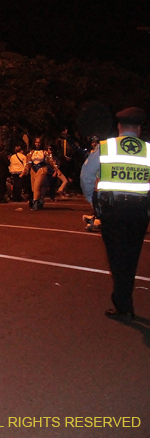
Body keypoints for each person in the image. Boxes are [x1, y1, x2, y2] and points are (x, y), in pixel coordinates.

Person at [80, 107, 149, 321]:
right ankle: (124, 301)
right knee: (131, 256)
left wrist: (94, 202)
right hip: (139, 211)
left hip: (113, 210)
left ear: (119, 127)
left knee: (116, 256)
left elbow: (86, 176)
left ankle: (123, 305)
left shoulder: (105, 147)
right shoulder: (148, 149)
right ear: (138, 128)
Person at [22, 136, 56, 210]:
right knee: (34, 189)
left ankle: (35, 203)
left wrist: (56, 169)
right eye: (36, 142)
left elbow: (51, 161)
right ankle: (40, 200)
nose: (38, 144)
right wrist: (24, 171)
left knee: (37, 187)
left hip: (42, 169)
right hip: (33, 170)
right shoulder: (31, 153)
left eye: (39, 142)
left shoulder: (45, 152)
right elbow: (28, 163)